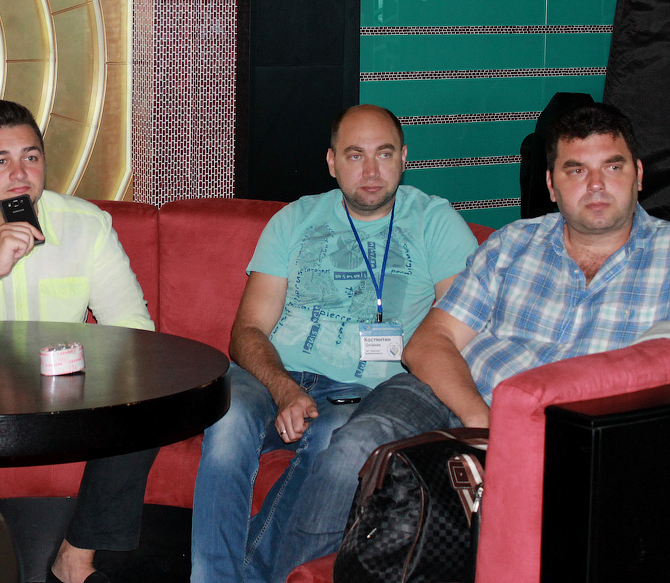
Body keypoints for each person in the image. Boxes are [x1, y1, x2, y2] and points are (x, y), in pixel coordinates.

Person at [272, 102, 670, 580]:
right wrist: (483, 421)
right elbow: (429, 342)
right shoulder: (514, 244)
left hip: (573, 435)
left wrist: (513, 436)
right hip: (454, 393)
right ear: (551, 185)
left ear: (638, 175)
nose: (595, 185)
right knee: (350, 449)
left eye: (612, 167)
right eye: (576, 170)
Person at [190, 104, 478, 583]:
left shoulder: (435, 221)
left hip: (362, 391)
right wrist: (283, 387)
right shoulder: (296, 219)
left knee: (332, 434)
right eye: (355, 155)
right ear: (332, 162)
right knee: (228, 415)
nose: (371, 171)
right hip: (272, 375)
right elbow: (247, 331)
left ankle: (256, 574)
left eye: (384, 154)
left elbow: (460, 331)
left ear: (404, 157)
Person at [0, 99, 155, 583]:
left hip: (65, 396)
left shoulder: (86, 225)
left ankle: (76, 559)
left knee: (149, 402)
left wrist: (78, 370)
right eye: (0, 161)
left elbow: (135, 334)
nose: (19, 174)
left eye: (30, 157)